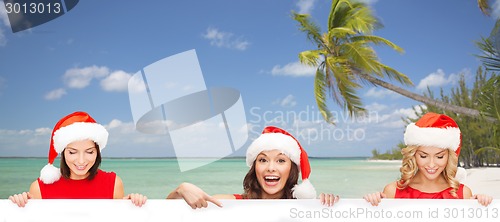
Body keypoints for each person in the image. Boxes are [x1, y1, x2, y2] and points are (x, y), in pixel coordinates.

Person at [167, 126, 339, 209]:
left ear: (292, 170)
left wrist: (366, 203)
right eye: (263, 160)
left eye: (280, 161)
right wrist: (180, 190)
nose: (271, 168)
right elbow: (164, 214)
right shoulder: (229, 203)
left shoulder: (306, 207)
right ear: (254, 167)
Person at [8, 111, 147, 207]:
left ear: (97, 153)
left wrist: (133, 204)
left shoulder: (113, 183)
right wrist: (18, 205)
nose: (81, 161)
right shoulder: (39, 188)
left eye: (89, 152)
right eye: (73, 152)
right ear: (63, 153)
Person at [363, 112, 492, 206]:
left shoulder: (463, 194)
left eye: (439, 156)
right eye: (423, 156)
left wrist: (482, 206)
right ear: (413, 155)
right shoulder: (392, 191)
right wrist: (371, 204)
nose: (431, 164)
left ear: (449, 157)